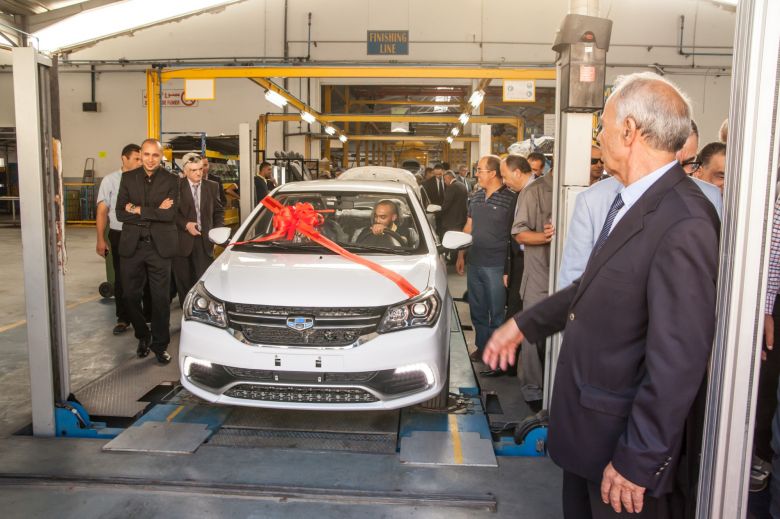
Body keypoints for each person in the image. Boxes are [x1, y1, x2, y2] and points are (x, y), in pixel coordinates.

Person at [484, 72, 719, 518]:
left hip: (624, 458)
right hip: (593, 436)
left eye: (604, 126)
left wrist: (637, 461)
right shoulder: (630, 202)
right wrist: (524, 323)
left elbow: (679, 358)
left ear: (629, 131)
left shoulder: (683, 220)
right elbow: (594, 288)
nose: (600, 137)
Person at [558, 120, 723, 289]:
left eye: (688, 163)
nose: (676, 173)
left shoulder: (710, 197)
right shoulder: (593, 200)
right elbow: (572, 281)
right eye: (669, 162)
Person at [116, 138, 180, 364]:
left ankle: (160, 345)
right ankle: (143, 335)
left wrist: (137, 209)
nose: (150, 159)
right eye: (146, 154)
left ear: (161, 156)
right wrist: (154, 210)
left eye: (155, 155)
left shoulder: (172, 181)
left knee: (161, 299)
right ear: (140, 155)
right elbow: (120, 214)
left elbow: (170, 215)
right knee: (129, 296)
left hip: (159, 247)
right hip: (132, 246)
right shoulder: (127, 178)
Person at [456, 155, 517, 361]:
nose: (476, 174)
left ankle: (497, 353)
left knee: (497, 314)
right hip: (475, 262)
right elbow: (468, 226)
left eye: (479, 170)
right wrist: (461, 253)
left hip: (497, 266)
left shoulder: (511, 199)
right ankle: (482, 348)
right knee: (478, 310)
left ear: (492, 173)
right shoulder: (476, 197)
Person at [508, 162, 554, 401]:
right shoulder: (534, 191)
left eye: (599, 161)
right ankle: (533, 390)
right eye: (592, 160)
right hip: (540, 275)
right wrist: (544, 236)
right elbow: (519, 233)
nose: (597, 166)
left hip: (573, 276)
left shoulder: (597, 190)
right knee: (533, 335)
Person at [95, 143, 151, 334]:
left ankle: (147, 316)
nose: (140, 162)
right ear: (123, 158)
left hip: (144, 233)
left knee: (147, 275)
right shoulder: (110, 180)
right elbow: (102, 211)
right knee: (122, 277)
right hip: (120, 234)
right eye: (136, 158)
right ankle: (123, 318)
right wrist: (100, 239)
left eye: (141, 159)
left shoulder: (147, 179)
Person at [173, 153, 224, 306]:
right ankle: (187, 313)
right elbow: (171, 213)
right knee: (184, 282)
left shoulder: (212, 186)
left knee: (204, 282)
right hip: (181, 242)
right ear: (185, 171)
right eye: (194, 170)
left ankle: (204, 313)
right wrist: (185, 224)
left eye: (201, 169)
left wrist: (217, 232)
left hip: (204, 242)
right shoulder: (176, 186)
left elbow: (218, 211)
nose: (199, 173)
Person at [499, 154, 535, 330]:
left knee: (517, 316)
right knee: (514, 310)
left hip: (533, 264)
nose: (504, 182)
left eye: (505, 176)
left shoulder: (539, 192)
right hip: (517, 264)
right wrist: (508, 269)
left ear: (518, 173)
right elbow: (509, 235)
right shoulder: (518, 194)